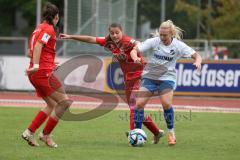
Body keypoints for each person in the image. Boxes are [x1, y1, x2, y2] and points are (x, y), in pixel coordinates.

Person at [60, 23, 164, 144]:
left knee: (133, 107)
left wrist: (136, 55)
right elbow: (90, 39)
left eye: (117, 32)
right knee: (137, 109)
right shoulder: (108, 42)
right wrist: (71, 36)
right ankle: (156, 132)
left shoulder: (127, 41)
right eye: (112, 33)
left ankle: (134, 134)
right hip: (128, 79)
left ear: (122, 32)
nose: (115, 35)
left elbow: (137, 44)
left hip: (140, 76)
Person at [130, 20, 202, 146]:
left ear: (172, 34)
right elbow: (134, 50)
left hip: (167, 77)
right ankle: (137, 132)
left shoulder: (179, 46)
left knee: (166, 103)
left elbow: (197, 55)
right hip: (151, 76)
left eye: (165, 35)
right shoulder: (155, 41)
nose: (162, 37)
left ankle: (171, 132)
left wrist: (198, 62)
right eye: (161, 34)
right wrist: (135, 57)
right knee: (139, 104)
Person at [22, 2, 72, 148]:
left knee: (51, 104)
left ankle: (29, 132)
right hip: (42, 73)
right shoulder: (48, 29)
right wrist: (38, 66)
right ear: (56, 17)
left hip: (38, 72)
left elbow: (29, 51)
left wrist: (48, 63)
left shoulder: (38, 28)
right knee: (65, 103)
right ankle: (45, 135)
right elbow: (38, 47)